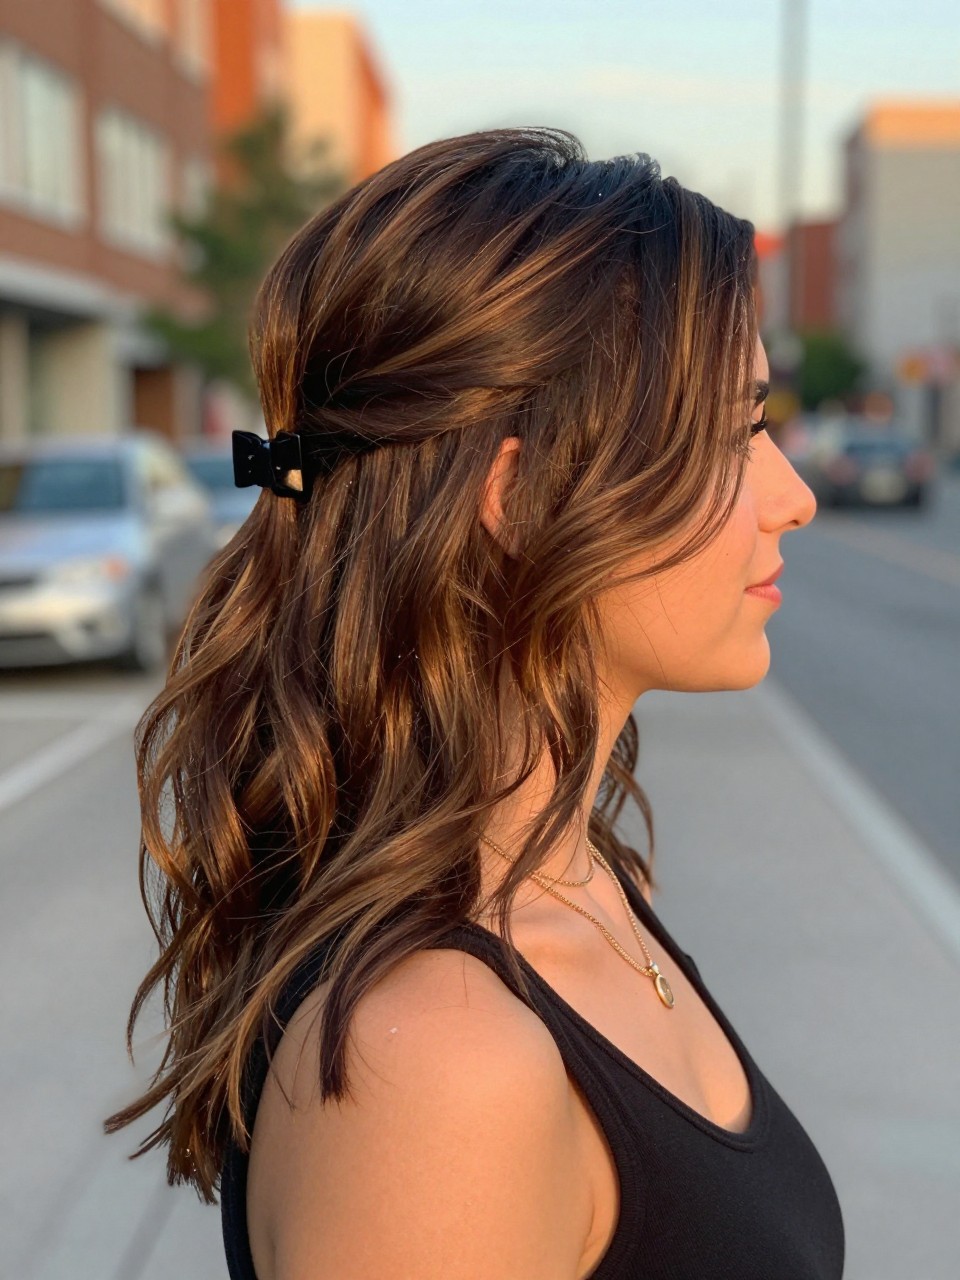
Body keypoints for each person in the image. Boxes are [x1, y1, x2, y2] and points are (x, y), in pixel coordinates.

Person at [106, 127, 844, 1279]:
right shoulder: (441, 1061)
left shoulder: (591, 881)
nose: (792, 495)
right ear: (520, 490)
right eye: (733, 431)